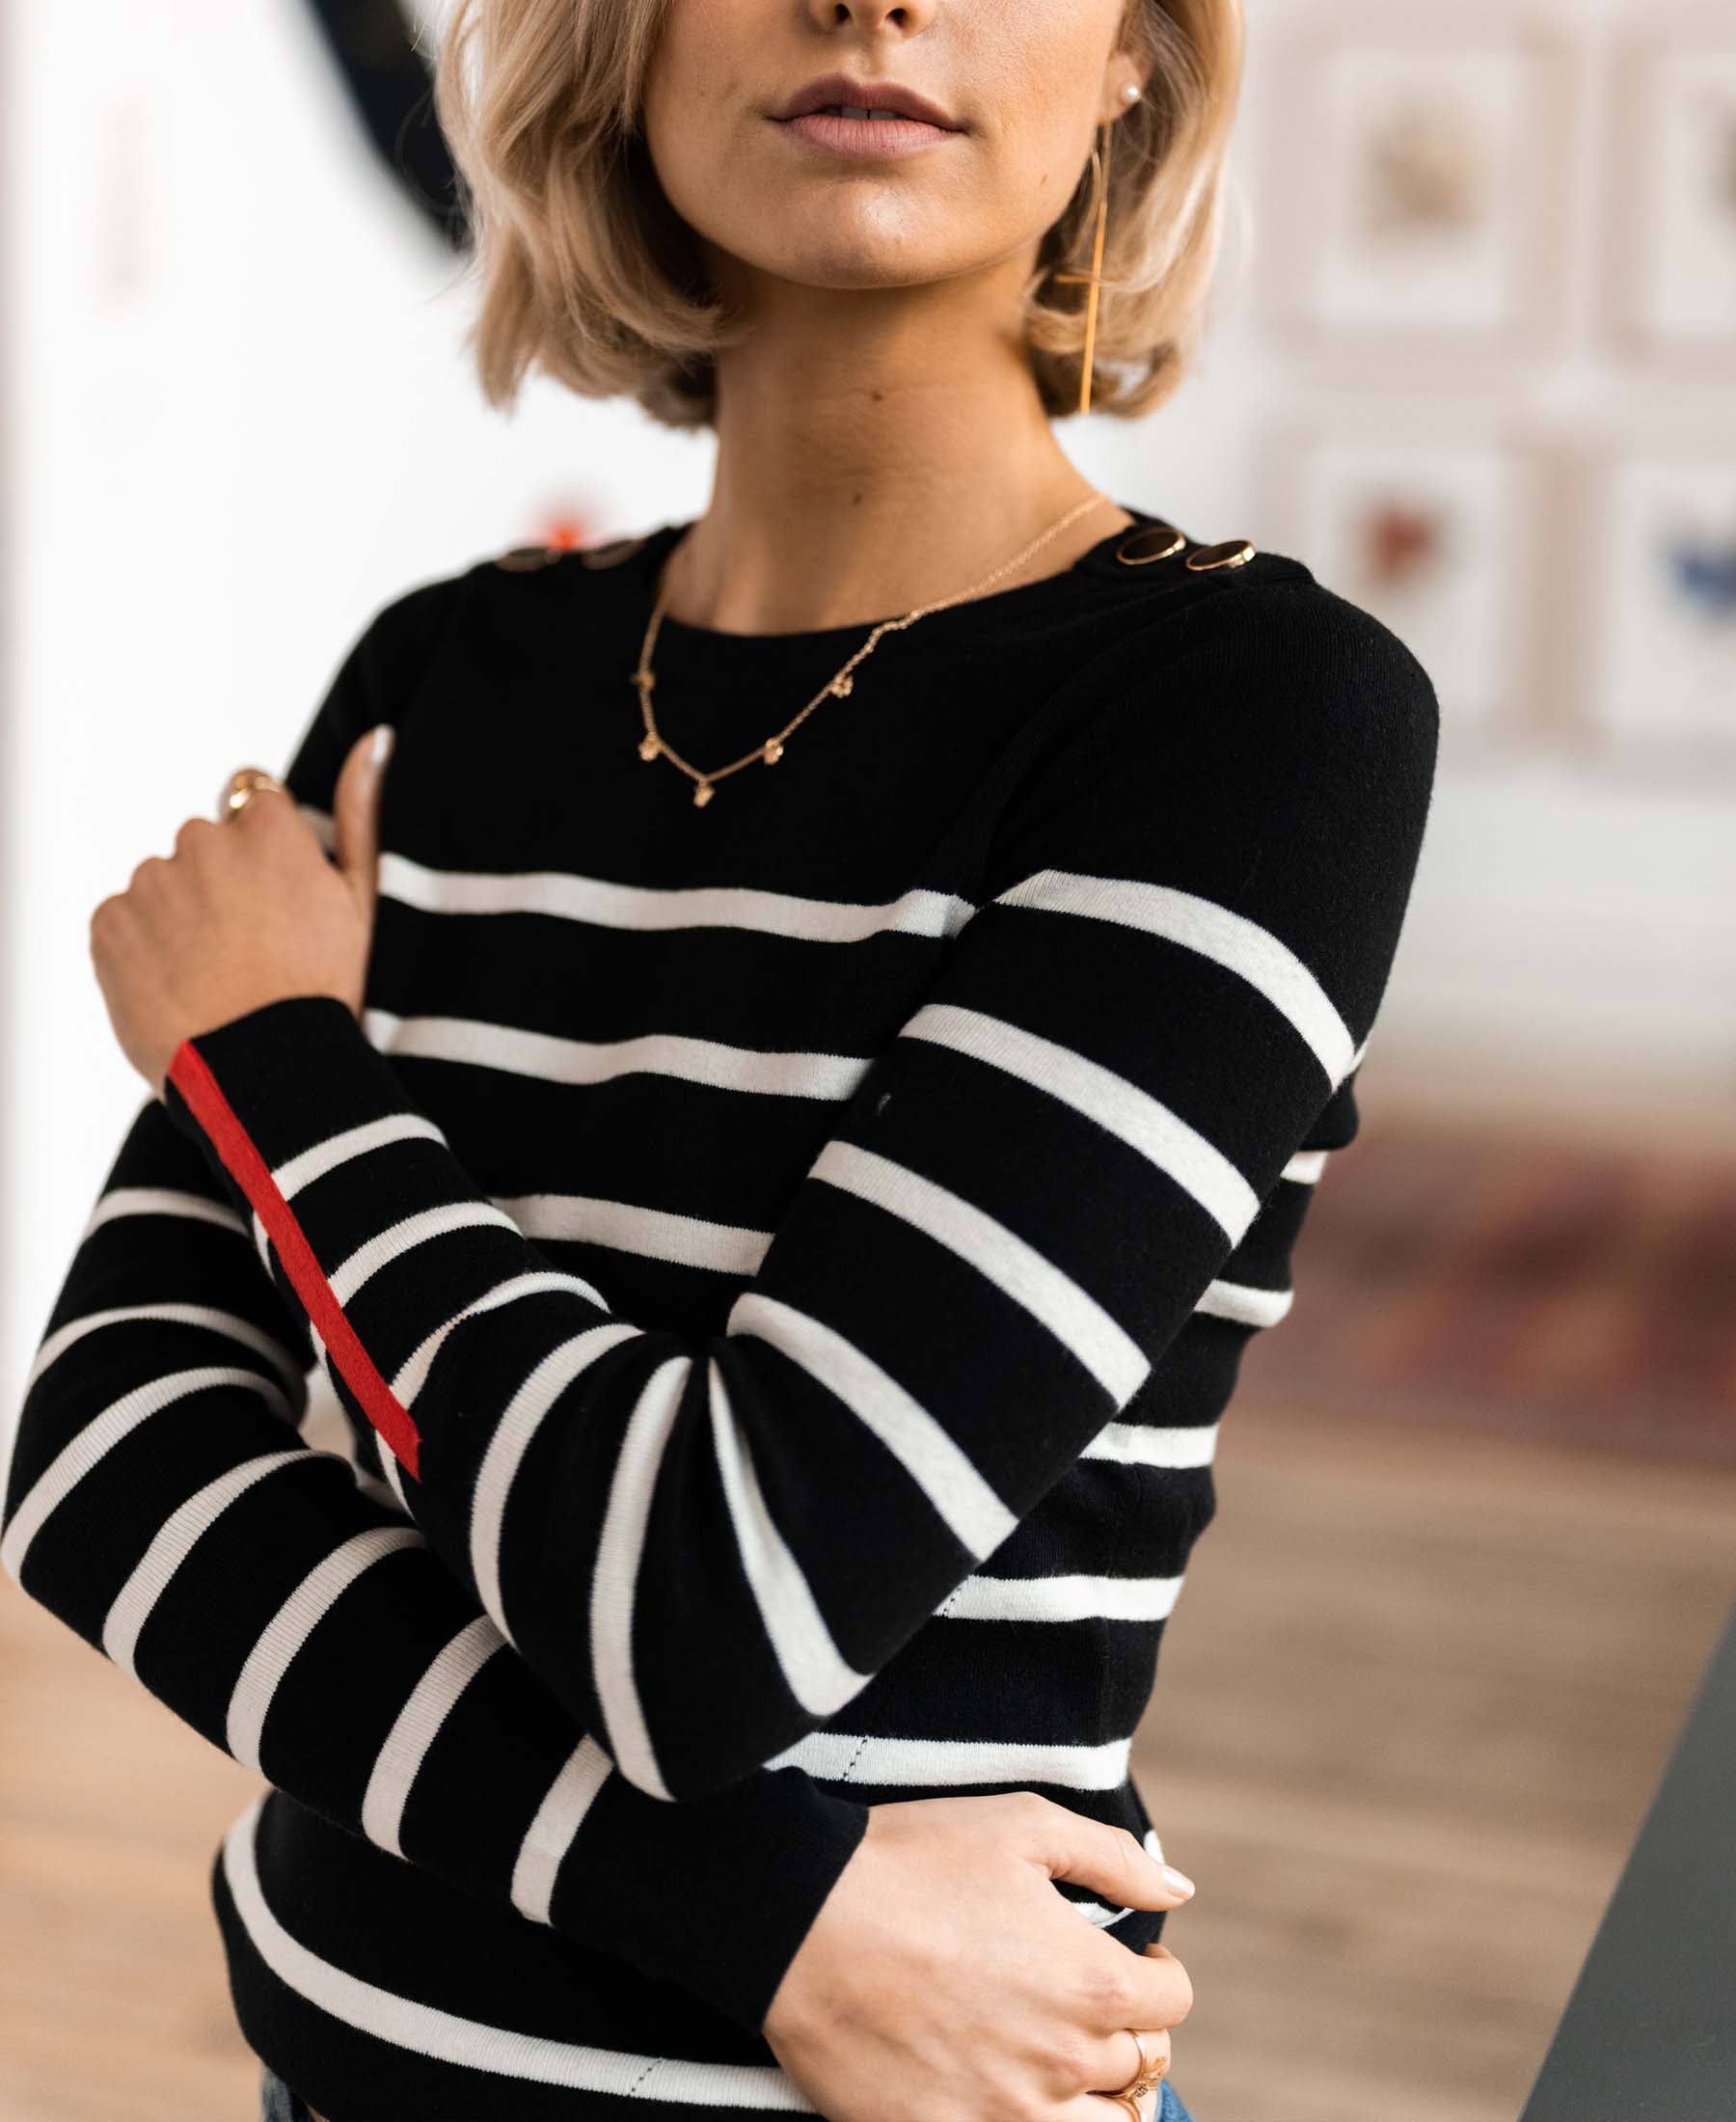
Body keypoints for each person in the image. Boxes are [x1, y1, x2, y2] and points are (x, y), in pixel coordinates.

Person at [0, 0, 1440, 2116]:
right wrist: (780, 1917)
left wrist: (273, 1055)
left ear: (1137, 49)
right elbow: (108, 1462)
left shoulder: (1252, 719)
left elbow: (713, 1606)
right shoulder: (444, 674)